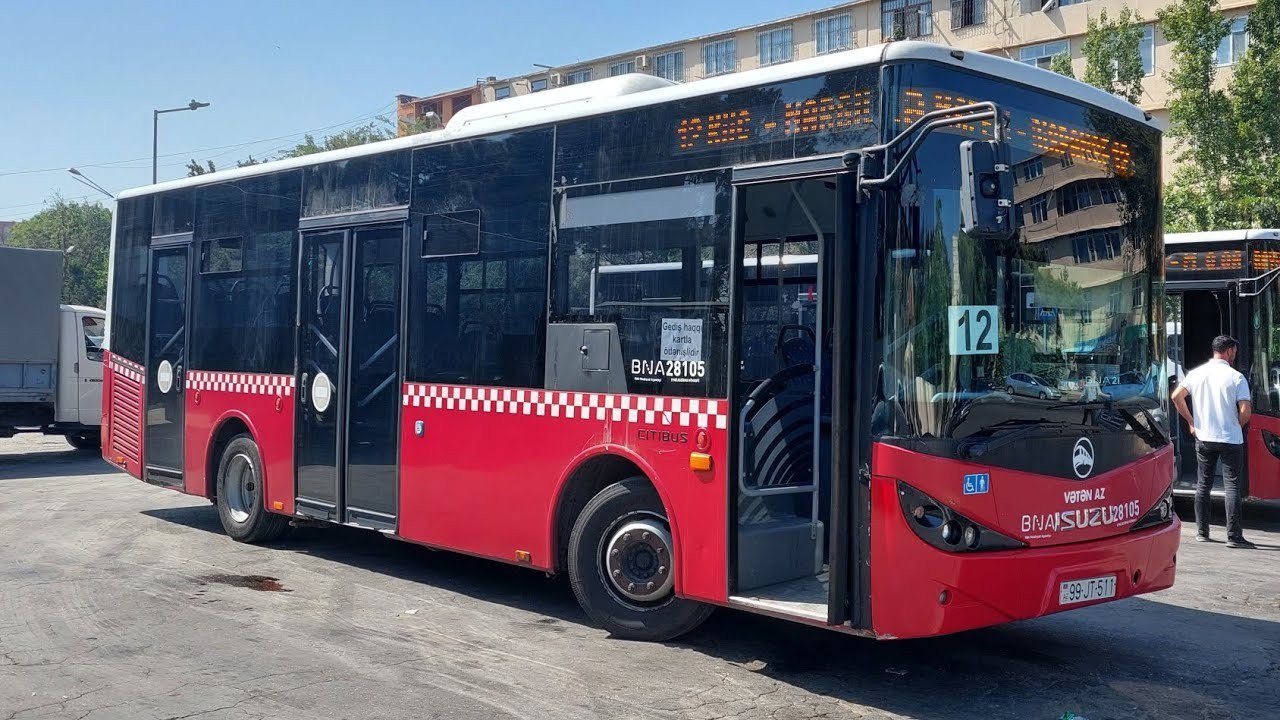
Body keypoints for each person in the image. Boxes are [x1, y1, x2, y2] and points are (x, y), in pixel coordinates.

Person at [1170, 335, 1255, 549]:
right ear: (1229, 351)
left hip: (1204, 437)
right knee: (1232, 486)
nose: (1235, 355)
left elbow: (1176, 396)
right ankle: (1233, 536)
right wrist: (1236, 425)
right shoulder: (1236, 377)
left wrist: (1191, 422)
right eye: (1234, 351)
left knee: (1203, 484)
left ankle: (1202, 532)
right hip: (1231, 439)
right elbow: (1245, 411)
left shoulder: (1197, 374)